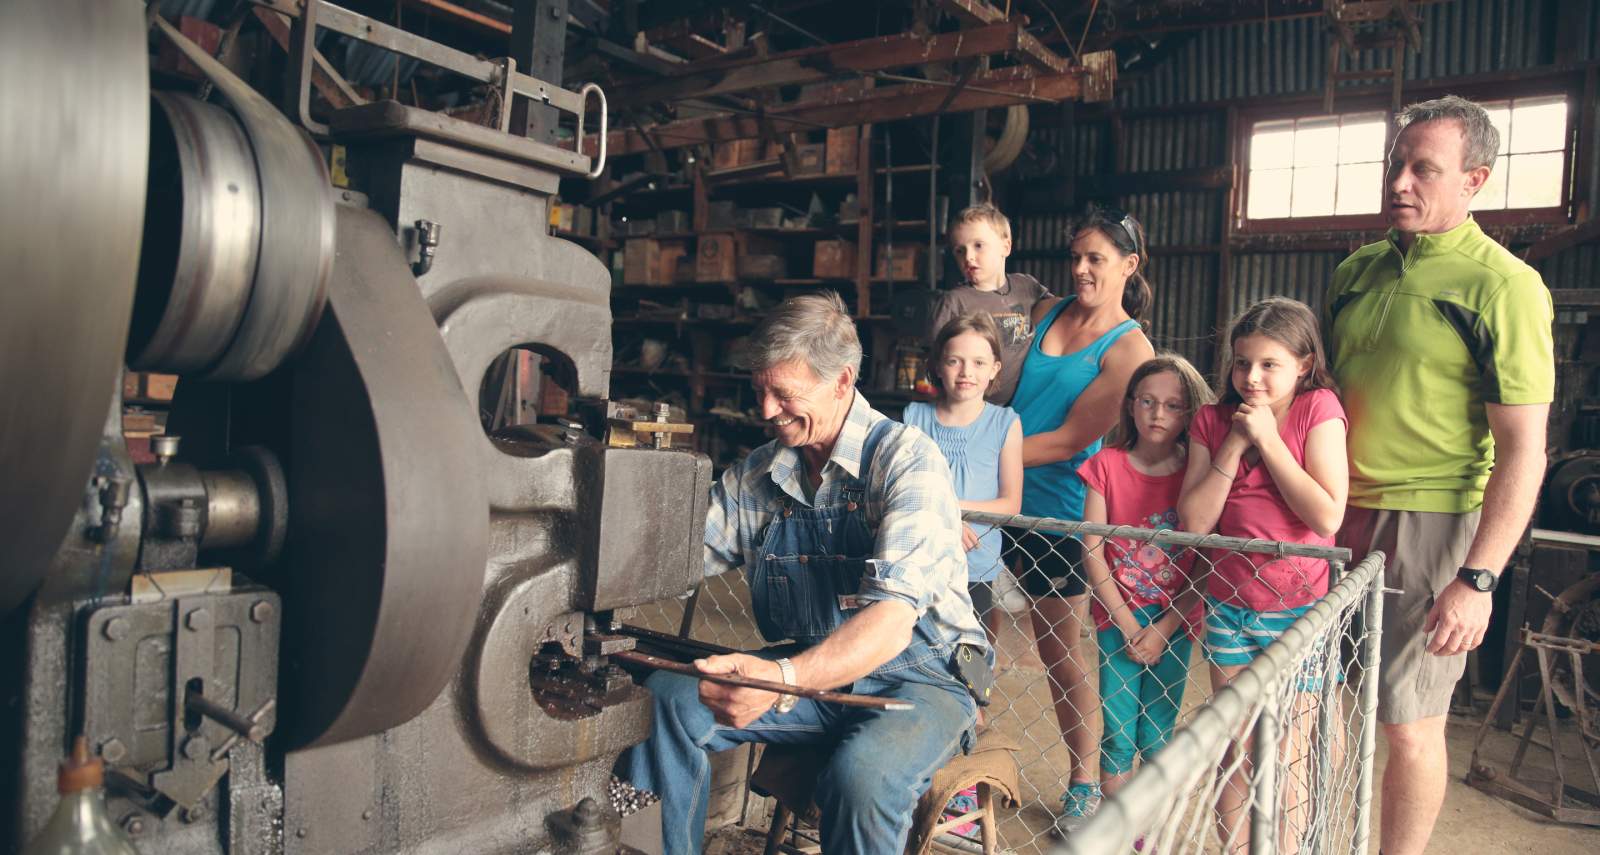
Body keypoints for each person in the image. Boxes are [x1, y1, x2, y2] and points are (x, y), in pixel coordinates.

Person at [622, 292, 990, 855]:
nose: (766, 410)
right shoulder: (759, 476)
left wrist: (782, 682)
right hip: (814, 670)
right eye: (760, 391)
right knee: (669, 699)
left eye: (784, 393)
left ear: (842, 381)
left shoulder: (907, 461)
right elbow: (674, 558)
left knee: (861, 779)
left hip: (924, 674)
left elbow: (892, 621)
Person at [1325, 95, 1554, 855]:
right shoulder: (1357, 270)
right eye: (1397, 163)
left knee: (1409, 722)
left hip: (1429, 524)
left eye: (1425, 168)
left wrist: (1479, 577)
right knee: (1322, 703)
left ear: (1475, 180)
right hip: (1330, 516)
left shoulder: (1504, 285)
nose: (1400, 182)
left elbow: (1524, 448)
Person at [1177, 297, 1348, 853]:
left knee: (1287, 746)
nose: (1251, 377)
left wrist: (1270, 440)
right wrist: (1237, 437)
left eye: (1269, 364)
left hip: (1298, 611)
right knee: (1236, 743)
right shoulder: (1212, 420)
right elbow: (1196, 520)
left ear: (1303, 363)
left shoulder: (1318, 409)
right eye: (1242, 362)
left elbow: (1325, 514)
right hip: (1229, 605)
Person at [1009, 204, 1156, 835]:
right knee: (966, 637)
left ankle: (1082, 782)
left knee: (1059, 652)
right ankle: (962, 767)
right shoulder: (1048, 311)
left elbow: (1071, 440)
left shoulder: (1129, 349)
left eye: (1095, 258)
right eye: (1076, 257)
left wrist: (982, 455)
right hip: (996, 502)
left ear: (1129, 265)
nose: (1081, 269)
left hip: (1057, 514)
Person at [1078, 355, 1212, 812]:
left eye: (1173, 405)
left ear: (1190, 412)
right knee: (1118, 734)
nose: (1158, 414)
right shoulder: (1106, 465)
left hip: (1175, 623)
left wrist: (1163, 628)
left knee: (1157, 734)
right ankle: (1115, 833)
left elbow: (1205, 563)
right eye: (1148, 401)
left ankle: (1148, 835)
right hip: (1118, 618)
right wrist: (1127, 622)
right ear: (1131, 405)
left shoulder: (1198, 473)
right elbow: (1092, 551)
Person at [903, 313, 1024, 643]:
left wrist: (950, 509)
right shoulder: (913, 419)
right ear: (938, 366)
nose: (967, 372)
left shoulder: (1005, 424)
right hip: (918, 561)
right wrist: (947, 523)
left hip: (975, 566)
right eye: (955, 361)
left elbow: (1010, 503)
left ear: (995, 369)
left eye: (979, 362)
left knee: (969, 663)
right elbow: (901, 492)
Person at [928, 203, 1053, 406]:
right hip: (973, 408)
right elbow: (936, 360)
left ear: (1006, 247)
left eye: (978, 245)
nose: (968, 257)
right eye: (960, 251)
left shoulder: (1026, 286)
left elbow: (1061, 313)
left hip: (1023, 405)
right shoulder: (955, 301)